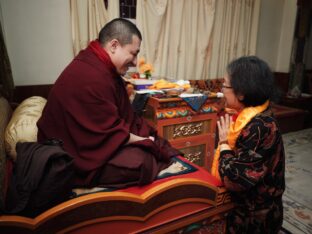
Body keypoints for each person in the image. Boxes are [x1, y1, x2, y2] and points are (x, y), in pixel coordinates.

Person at [37, 18, 180, 189]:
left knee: (156, 141)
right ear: (114, 46)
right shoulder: (91, 76)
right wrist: (144, 141)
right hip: (73, 153)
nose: (135, 62)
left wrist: (148, 138)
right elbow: (109, 133)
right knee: (142, 161)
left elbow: (121, 118)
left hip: (95, 140)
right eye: (133, 53)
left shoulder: (101, 66)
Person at [211, 56, 285, 233]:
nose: (222, 90)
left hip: (255, 217)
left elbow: (235, 180)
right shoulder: (253, 115)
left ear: (242, 93)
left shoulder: (259, 127)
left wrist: (223, 144)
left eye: (225, 85)